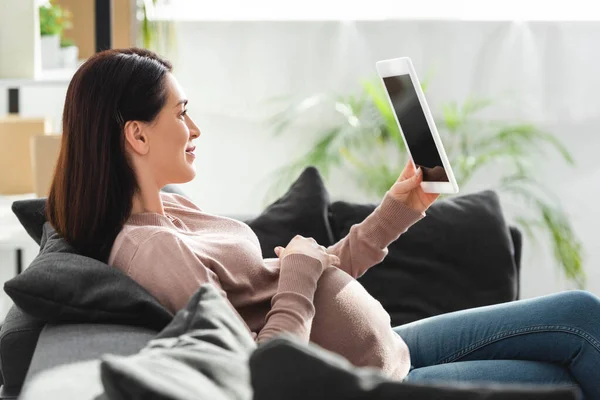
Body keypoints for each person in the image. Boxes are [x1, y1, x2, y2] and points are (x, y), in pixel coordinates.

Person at [46, 48, 596, 399]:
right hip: (369, 380)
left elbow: (291, 282)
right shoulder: (150, 250)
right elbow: (261, 371)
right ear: (137, 135)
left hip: (390, 349)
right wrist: (301, 276)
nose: (195, 126)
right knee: (571, 376)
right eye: (180, 111)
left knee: (581, 313)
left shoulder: (173, 210)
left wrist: (399, 210)